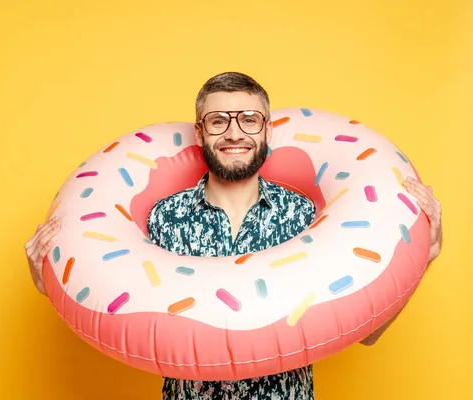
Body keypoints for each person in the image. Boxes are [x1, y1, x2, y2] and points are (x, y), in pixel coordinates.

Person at [25, 72, 443, 399]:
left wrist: (422, 256)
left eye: (249, 119)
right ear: (199, 132)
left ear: (266, 129)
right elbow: (117, 309)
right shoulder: (164, 219)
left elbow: (366, 332)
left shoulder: (305, 217)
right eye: (218, 120)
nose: (234, 132)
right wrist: (47, 279)